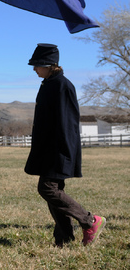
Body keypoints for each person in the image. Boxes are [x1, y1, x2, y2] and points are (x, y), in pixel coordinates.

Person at [25, 43, 105, 247]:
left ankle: (90, 221)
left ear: (50, 65)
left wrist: (64, 152)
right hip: (48, 150)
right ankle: (64, 238)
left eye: (37, 65)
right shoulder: (49, 83)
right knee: (53, 192)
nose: (34, 69)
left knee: (48, 189)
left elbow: (67, 123)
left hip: (58, 150)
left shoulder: (62, 85)